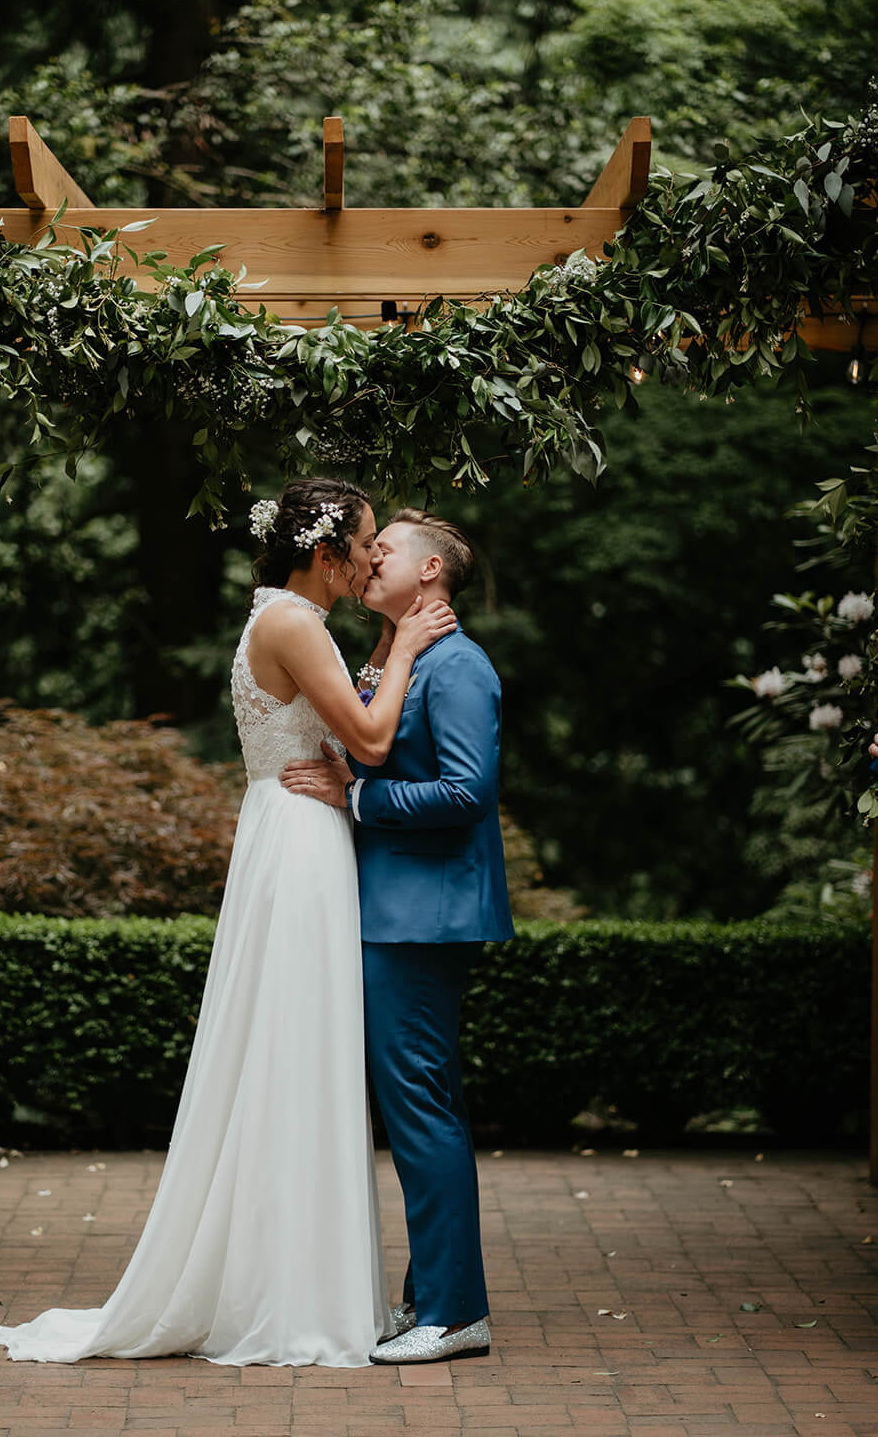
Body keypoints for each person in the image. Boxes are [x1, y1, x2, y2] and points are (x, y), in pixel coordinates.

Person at [0, 477, 456, 1368]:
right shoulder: (292, 623)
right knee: (296, 1051)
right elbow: (365, 740)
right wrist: (401, 649)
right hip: (298, 841)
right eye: (362, 543)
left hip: (292, 829)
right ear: (325, 554)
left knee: (296, 1051)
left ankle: (296, 1279)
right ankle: (290, 1297)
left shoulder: (279, 617)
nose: (369, 558)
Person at [280, 508, 514, 1365]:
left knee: (419, 1106)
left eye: (385, 551)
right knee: (414, 1104)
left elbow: (464, 793)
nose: (368, 559)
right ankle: (432, 1297)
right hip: (388, 910)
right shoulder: (397, 657)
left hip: (424, 919)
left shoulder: (458, 667)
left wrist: (357, 800)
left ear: (430, 575)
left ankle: (454, 1314)